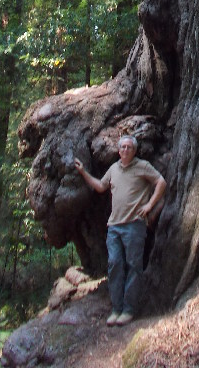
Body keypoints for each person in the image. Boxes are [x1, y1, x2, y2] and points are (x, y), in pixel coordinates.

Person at [74, 134, 166, 327]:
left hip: (134, 224)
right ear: (118, 150)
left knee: (133, 266)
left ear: (134, 150)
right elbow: (100, 186)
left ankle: (128, 310)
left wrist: (149, 205)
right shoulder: (114, 168)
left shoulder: (142, 166)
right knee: (115, 264)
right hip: (114, 226)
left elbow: (161, 182)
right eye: (123, 147)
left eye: (129, 148)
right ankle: (116, 309)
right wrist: (83, 172)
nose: (125, 150)